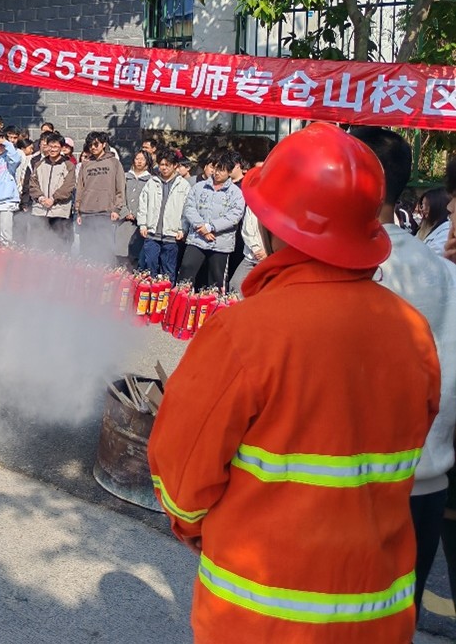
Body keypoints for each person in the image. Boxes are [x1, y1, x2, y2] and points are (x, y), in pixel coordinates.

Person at [150, 122, 440, 643]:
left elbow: (181, 478)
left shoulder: (244, 333)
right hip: (378, 612)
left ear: (273, 225)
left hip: (259, 617)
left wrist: (196, 529)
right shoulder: (412, 331)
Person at [350, 127, 456, 618]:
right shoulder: (446, 274)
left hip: (353, 488)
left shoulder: (348, 267)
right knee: (397, 622)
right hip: (428, 484)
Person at [178, 150, 245, 289]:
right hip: (197, 239)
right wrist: (201, 227)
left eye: (221, 170)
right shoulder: (199, 187)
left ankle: (211, 302)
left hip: (220, 242)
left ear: (229, 172)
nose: (217, 173)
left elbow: (234, 216)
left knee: (215, 279)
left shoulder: (236, 193)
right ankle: (182, 299)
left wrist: (211, 227)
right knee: (186, 270)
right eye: (215, 168)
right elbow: (189, 207)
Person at [137, 148, 190, 282]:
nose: (164, 168)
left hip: (172, 235)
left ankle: (166, 293)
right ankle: (148, 292)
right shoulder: (152, 182)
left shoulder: (183, 185)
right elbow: (143, 204)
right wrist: (142, 224)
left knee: (168, 269)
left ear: (175, 166)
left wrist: (182, 228)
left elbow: (187, 210)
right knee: (149, 267)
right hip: (152, 233)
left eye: (168, 165)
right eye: (161, 164)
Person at [74, 131, 124, 262]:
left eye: (96, 144)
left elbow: (120, 187)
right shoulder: (85, 164)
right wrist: (78, 211)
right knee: (86, 249)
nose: (93, 147)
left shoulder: (114, 163)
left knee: (105, 248)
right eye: (90, 145)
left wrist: (117, 209)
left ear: (104, 144)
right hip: (86, 212)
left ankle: (106, 273)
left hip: (106, 211)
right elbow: (80, 188)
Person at [27, 132, 77, 249]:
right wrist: (41, 198)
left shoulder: (68, 165)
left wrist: (53, 199)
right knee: (40, 246)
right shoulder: (39, 164)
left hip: (59, 211)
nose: (52, 149)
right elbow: (33, 184)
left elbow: (68, 186)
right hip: (40, 210)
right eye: (50, 146)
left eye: (56, 147)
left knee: (59, 246)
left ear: (61, 148)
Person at [114, 150, 153, 266]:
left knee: (136, 253)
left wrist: (136, 214)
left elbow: (150, 201)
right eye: (137, 159)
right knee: (120, 251)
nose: (139, 161)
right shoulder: (125, 177)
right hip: (123, 220)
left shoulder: (151, 180)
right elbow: (119, 195)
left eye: (142, 159)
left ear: (147, 162)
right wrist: (125, 212)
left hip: (139, 222)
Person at [416, 187, 451, 257]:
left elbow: (434, 254)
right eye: (422, 205)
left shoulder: (447, 230)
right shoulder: (425, 228)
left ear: (438, 206)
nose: (423, 209)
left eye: (427, 205)